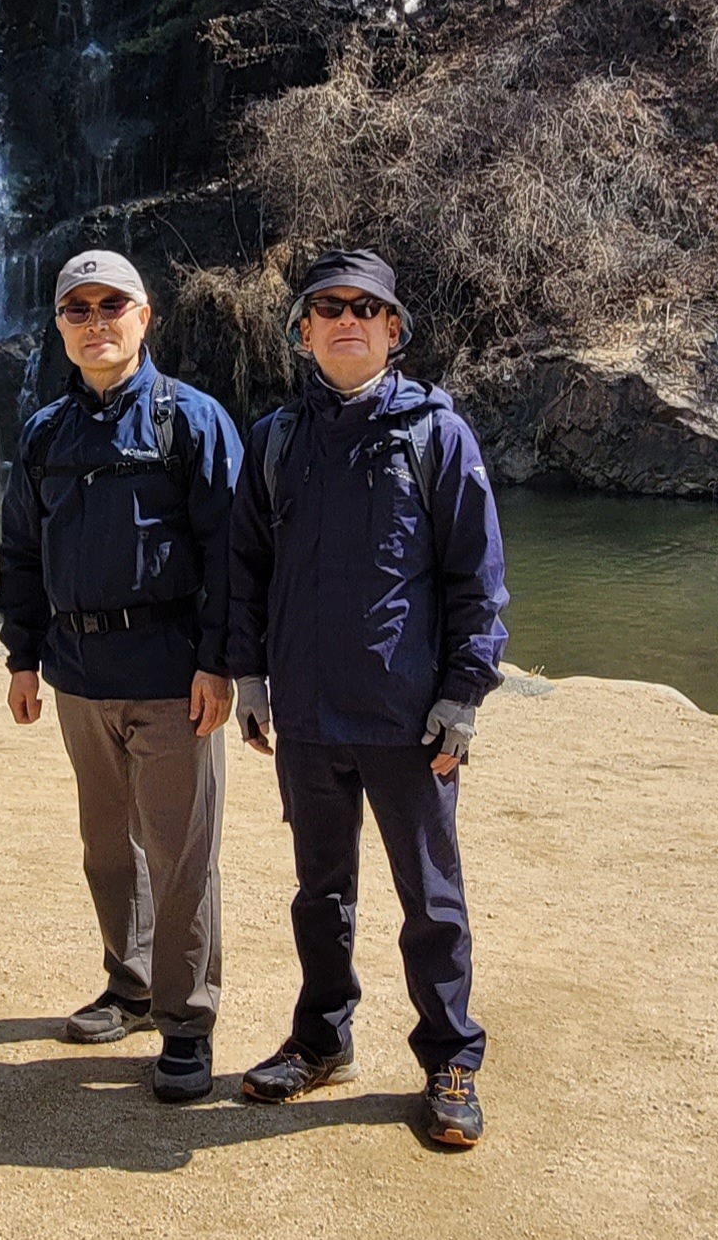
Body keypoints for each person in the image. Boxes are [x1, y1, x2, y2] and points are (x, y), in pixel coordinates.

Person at [223, 247, 509, 1148]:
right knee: (320, 893)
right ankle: (321, 1040)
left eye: (364, 308)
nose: (346, 319)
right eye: (328, 307)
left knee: (431, 900)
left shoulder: (437, 437)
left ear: (393, 330)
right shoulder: (274, 442)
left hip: (408, 718)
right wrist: (249, 677)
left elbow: (477, 579)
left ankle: (451, 1058)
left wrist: (463, 694)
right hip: (307, 716)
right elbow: (244, 573)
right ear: (303, 332)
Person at [0, 250, 245, 1104]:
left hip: (175, 677)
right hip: (77, 674)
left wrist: (219, 662)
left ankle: (187, 1024)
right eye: (78, 309)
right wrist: (21, 656)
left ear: (146, 317)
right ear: (59, 326)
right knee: (107, 847)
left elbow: (231, 555)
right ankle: (130, 986)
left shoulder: (194, 421)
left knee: (182, 856)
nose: (96, 321)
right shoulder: (43, 433)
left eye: (113, 305)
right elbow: (20, 552)